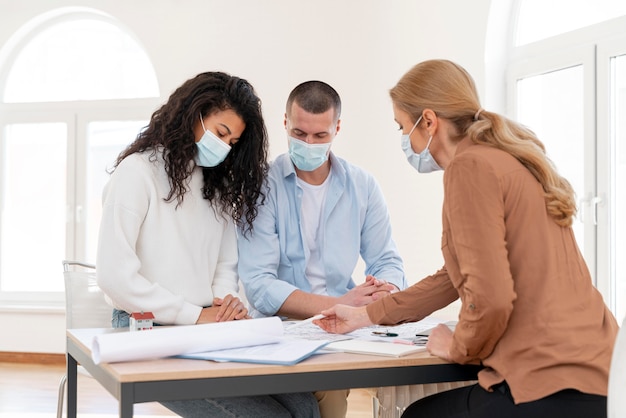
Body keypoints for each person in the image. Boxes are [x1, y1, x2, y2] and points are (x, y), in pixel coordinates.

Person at [313, 59, 619, 418]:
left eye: (402, 127)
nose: (405, 140)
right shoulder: (506, 158)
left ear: (428, 121)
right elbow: (452, 279)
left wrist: (458, 345)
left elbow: (492, 298)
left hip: (548, 383)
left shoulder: (469, 168)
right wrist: (365, 315)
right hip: (600, 373)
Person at [96, 71, 320, 418]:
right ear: (193, 114)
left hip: (206, 325)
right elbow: (116, 278)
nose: (224, 147)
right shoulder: (136, 173)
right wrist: (196, 315)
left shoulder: (214, 185)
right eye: (220, 133)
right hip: (148, 327)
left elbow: (225, 264)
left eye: (233, 142)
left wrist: (223, 304)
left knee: (304, 404)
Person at [237, 80, 407, 418]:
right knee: (321, 393)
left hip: (346, 328)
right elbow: (259, 285)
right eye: (299, 134)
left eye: (320, 136)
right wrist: (339, 305)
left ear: (337, 128)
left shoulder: (363, 186)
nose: (309, 144)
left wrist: (380, 293)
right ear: (285, 123)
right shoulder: (260, 186)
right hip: (281, 326)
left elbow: (386, 260)